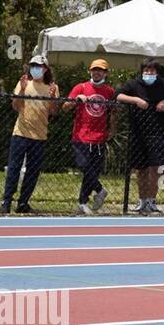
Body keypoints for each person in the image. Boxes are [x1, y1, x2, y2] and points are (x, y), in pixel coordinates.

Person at [115, 59, 164, 214]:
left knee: (156, 168)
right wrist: (135, 100)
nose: (148, 73)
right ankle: (142, 200)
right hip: (138, 133)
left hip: (158, 133)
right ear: (142, 71)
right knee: (141, 169)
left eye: (152, 71)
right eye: (146, 71)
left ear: (156, 73)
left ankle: (152, 201)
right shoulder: (133, 84)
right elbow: (118, 95)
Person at [0, 54, 60, 215]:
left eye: (38, 66)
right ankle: (6, 202)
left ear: (45, 69)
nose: (35, 69)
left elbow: (54, 112)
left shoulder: (52, 87)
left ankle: (23, 203)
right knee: (14, 168)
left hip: (40, 136)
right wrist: (23, 89)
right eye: (33, 66)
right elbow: (15, 106)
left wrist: (53, 97)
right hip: (20, 132)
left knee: (33, 171)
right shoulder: (24, 83)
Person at [64, 58, 116, 215]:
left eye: (100, 70)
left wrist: (112, 130)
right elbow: (65, 107)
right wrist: (75, 100)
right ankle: (100, 190)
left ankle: (82, 202)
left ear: (106, 73)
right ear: (90, 71)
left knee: (92, 171)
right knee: (83, 165)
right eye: (94, 69)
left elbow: (114, 112)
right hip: (81, 136)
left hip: (99, 137)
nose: (97, 72)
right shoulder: (81, 87)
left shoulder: (109, 91)